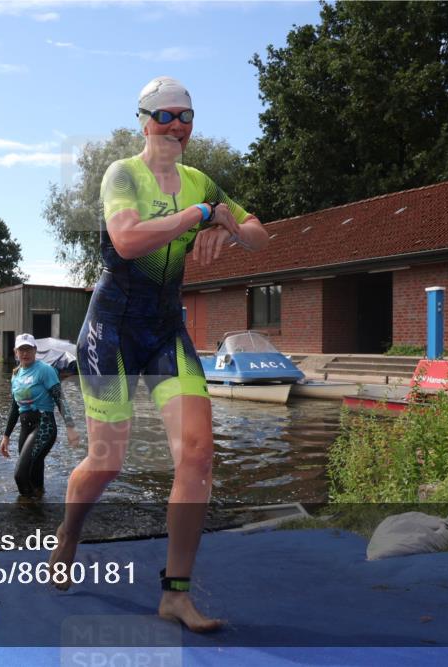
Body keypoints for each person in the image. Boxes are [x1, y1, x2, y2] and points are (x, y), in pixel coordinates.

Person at [49, 76, 269, 632]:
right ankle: (68, 536)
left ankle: (175, 592)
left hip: (166, 328)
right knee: (107, 462)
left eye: (185, 118)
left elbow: (259, 233)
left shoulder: (200, 180)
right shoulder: (122, 173)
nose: (176, 127)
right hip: (113, 330)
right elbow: (126, 240)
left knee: (197, 452)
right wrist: (197, 217)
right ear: (143, 120)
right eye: (164, 116)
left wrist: (231, 225)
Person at [0, 333, 79, 497]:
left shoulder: (45, 370)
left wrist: (70, 428)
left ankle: (27, 510)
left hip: (44, 425)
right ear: (16, 352)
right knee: (33, 474)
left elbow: (60, 399)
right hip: (25, 428)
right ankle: (39, 505)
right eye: (22, 350)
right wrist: (6, 436)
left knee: (20, 475)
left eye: (29, 349)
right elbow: (15, 407)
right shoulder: (16, 375)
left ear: (35, 350)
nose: (25, 353)